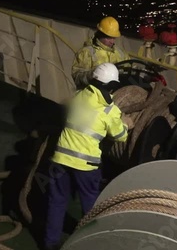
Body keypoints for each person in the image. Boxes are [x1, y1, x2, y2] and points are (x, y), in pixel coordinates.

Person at [43, 63, 131, 250]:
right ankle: (90, 243)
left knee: (57, 201)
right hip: (86, 165)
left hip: (60, 159)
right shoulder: (109, 111)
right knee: (91, 208)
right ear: (112, 86)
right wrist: (126, 124)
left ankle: (50, 244)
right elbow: (120, 137)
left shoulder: (77, 97)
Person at [72, 16, 130, 89]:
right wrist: (94, 74)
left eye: (114, 38)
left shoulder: (121, 54)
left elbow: (131, 69)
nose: (112, 41)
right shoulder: (86, 52)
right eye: (108, 37)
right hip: (93, 95)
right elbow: (77, 77)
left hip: (116, 95)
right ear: (100, 34)